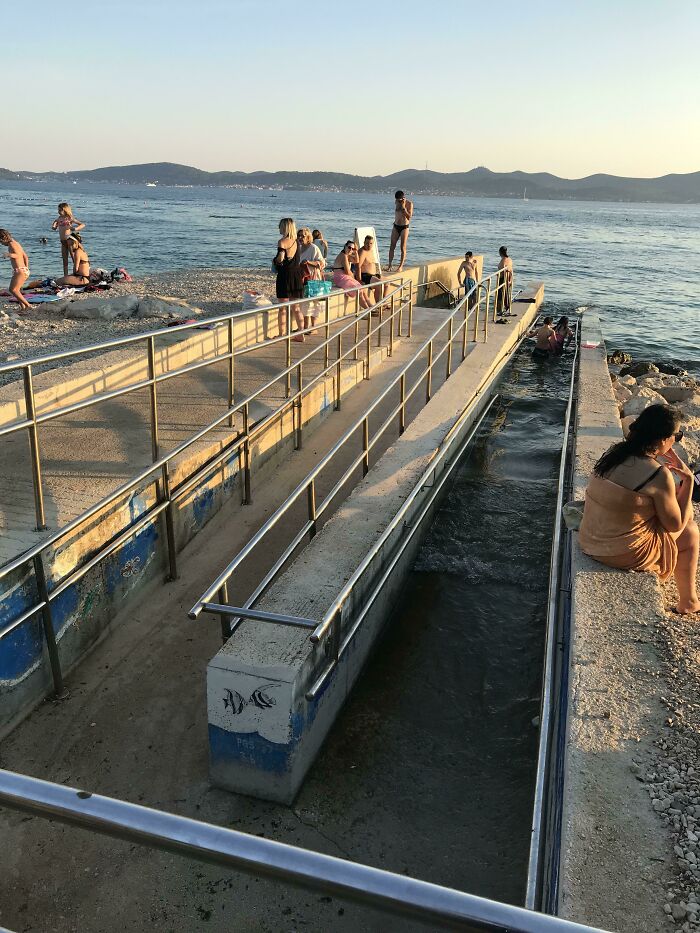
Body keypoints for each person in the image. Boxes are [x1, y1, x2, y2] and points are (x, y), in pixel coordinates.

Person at [579, 404, 700, 615]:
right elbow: (675, 524)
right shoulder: (656, 474)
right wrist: (688, 481)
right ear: (664, 439)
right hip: (621, 552)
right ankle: (689, 602)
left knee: (680, 513)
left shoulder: (614, 453)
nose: (676, 440)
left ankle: (689, 602)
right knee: (690, 531)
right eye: (677, 436)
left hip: (591, 539)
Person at [272, 217, 300, 340]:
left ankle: (281, 334)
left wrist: (275, 260)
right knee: (296, 307)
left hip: (285, 275)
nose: (279, 227)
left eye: (280, 225)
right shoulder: (297, 241)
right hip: (296, 275)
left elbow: (281, 258)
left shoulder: (282, 242)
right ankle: (300, 334)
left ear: (284, 227)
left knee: (282, 308)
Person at [296, 227, 325, 335]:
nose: (299, 238)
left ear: (308, 237)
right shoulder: (298, 248)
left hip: (313, 278)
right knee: (305, 302)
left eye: (302, 236)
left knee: (314, 302)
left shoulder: (313, 248)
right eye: (298, 235)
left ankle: (313, 327)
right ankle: (305, 327)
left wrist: (308, 262)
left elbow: (321, 263)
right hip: (303, 278)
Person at [332, 241, 372, 311]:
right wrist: (353, 277)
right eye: (349, 247)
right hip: (340, 278)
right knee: (358, 291)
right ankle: (368, 310)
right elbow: (347, 271)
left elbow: (356, 261)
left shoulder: (347, 255)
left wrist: (356, 251)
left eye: (352, 249)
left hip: (345, 277)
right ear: (345, 246)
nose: (350, 250)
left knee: (362, 289)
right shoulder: (343, 256)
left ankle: (372, 307)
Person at [0, 228, 32, 312]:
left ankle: (28, 305)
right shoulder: (16, 243)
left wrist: (8, 254)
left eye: (0, 242)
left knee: (12, 290)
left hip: (20, 271)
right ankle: (23, 308)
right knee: (17, 290)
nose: (1, 244)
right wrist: (26, 268)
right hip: (22, 270)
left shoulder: (11, 245)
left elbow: (17, 255)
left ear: (3, 238)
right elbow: (25, 256)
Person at [51, 203, 85, 277]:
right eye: (58, 210)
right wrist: (54, 226)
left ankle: (78, 273)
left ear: (65, 210)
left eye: (60, 210)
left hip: (69, 241)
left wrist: (75, 229)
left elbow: (82, 224)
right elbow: (55, 222)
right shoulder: (59, 218)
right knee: (64, 260)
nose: (58, 211)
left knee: (74, 259)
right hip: (62, 241)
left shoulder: (69, 218)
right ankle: (65, 276)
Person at [387, 190, 413, 272]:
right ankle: (390, 265)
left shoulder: (409, 204)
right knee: (392, 246)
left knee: (402, 247)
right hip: (396, 226)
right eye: (397, 200)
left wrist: (404, 208)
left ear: (403, 198)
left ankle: (400, 266)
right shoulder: (396, 202)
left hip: (404, 227)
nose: (398, 201)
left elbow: (409, 217)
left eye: (399, 200)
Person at [358, 234, 385, 307]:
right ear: (364, 243)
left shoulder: (371, 251)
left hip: (374, 275)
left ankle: (383, 303)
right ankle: (379, 305)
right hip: (365, 276)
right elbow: (358, 266)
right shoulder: (363, 252)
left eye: (371, 243)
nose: (369, 245)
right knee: (379, 284)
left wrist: (378, 274)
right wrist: (359, 279)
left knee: (387, 283)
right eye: (367, 243)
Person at [495, 246, 513, 317]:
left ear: (500, 252)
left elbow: (503, 271)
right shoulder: (510, 259)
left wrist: (500, 277)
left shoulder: (503, 260)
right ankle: (506, 309)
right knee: (505, 294)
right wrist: (510, 280)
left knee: (500, 295)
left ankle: (499, 311)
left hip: (503, 278)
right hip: (508, 278)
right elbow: (511, 270)